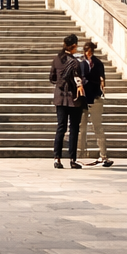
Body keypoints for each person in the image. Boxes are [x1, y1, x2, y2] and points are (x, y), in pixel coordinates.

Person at [50, 34, 84, 169]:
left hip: (59, 97)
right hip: (73, 99)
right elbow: (79, 79)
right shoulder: (75, 62)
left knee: (61, 127)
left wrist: (60, 84)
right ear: (74, 46)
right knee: (74, 129)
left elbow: (52, 78)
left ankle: (57, 158)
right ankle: (72, 159)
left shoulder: (56, 59)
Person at [77, 40, 111, 167]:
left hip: (95, 96)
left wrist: (102, 83)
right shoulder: (81, 64)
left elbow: (102, 77)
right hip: (84, 98)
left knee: (98, 127)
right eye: (87, 52)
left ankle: (103, 155)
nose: (88, 54)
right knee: (82, 126)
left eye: (90, 51)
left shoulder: (98, 63)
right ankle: (80, 152)